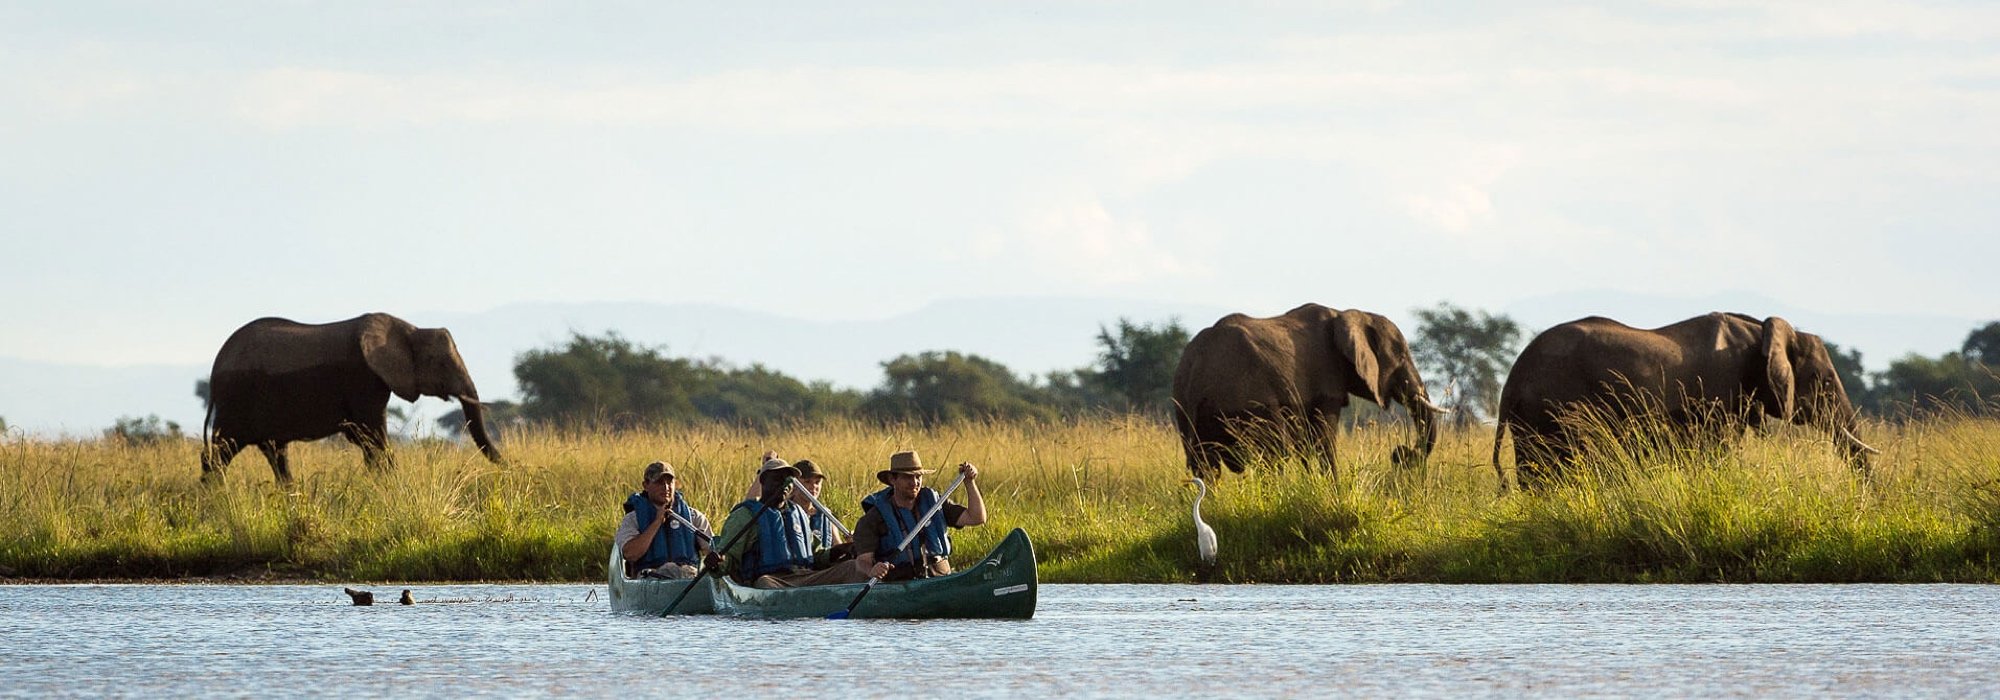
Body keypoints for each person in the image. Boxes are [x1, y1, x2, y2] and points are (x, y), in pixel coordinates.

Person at [712, 454, 872, 588]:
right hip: (772, 580)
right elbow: (729, 559)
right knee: (765, 583)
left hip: (806, 577)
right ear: (763, 481)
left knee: (853, 567)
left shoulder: (798, 513)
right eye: (777, 479)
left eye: (788, 480)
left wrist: (844, 549)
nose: (784, 485)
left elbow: (816, 555)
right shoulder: (745, 515)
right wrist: (718, 563)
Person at [853, 450, 986, 582]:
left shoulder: (934, 504)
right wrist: (872, 570)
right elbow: (862, 562)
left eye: (918, 477)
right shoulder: (874, 518)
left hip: (939, 578)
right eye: (907, 477)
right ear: (892, 479)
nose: (915, 482)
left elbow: (977, 517)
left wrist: (969, 482)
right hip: (900, 584)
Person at [614, 460, 710, 579]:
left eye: (670, 482)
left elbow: (711, 550)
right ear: (646, 486)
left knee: (688, 573)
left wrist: (717, 558)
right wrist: (657, 522)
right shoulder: (633, 519)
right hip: (651, 578)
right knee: (668, 570)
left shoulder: (694, 517)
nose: (666, 487)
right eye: (659, 482)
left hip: (688, 577)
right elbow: (630, 554)